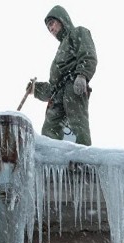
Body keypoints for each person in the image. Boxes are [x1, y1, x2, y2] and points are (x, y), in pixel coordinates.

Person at [26, 5, 97, 146]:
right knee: (49, 129)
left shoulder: (78, 32)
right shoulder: (60, 50)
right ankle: (52, 158)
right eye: (48, 28)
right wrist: (35, 89)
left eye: (52, 24)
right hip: (57, 95)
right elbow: (53, 87)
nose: (51, 29)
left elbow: (88, 55)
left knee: (78, 122)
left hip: (73, 85)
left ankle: (84, 158)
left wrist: (82, 75)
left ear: (62, 19)